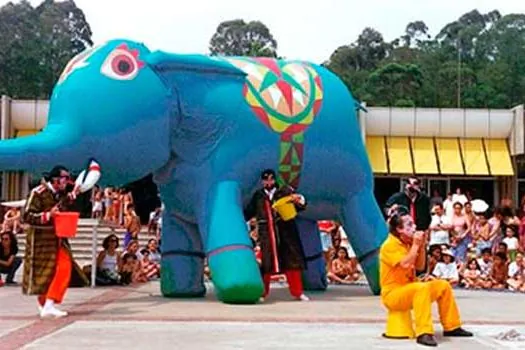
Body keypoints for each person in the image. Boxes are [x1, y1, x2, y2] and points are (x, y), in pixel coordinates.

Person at [379, 205, 472, 347]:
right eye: (409, 225)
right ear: (399, 230)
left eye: (413, 223)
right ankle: (424, 332)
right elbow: (404, 264)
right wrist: (416, 245)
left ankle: (452, 326)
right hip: (392, 294)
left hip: (409, 287)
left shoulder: (409, 243)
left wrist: (421, 246)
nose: (414, 227)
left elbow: (419, 267)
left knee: (443, 285)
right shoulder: (389, 245)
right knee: (421, 289)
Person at [22, 165, 89, 318]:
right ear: (56, 179)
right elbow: (26, 216)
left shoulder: (58, 194)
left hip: (58, 238)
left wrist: (73, 195)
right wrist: (48, 215)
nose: (67, 180)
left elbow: (60, 207)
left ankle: (48, 304)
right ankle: (46, 305)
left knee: (63, 268)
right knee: (44, 274)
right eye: (65, 177)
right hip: (40, 241)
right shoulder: (38, 193)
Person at [244, 169, 309, 302]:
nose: (269, 182)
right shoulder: (258, 196)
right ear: (262, 181)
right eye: (266, 180)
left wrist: (300, 199)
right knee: (267, 264)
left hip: (286, 233)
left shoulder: (285, 192)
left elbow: (301, 206)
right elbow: (249, 212)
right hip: (267, 235)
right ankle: (263, 293)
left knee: (292, 263)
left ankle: (297, 292)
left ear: (275, 180)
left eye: (271, 179)